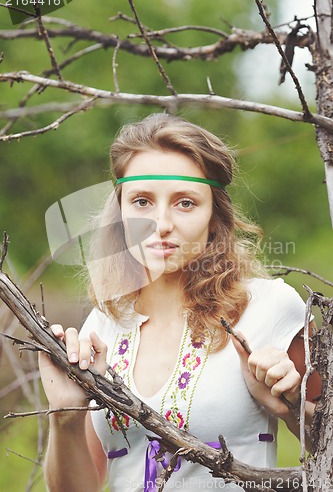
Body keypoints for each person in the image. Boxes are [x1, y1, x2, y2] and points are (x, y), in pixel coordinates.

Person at [39, 113, 321, 492]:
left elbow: (327, 450)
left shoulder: (270, 307)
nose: (160, 223)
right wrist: (65, 416)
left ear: (214, 215)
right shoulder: (103, 324)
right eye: (141, 201)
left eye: (185, 203)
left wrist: (288, 411)